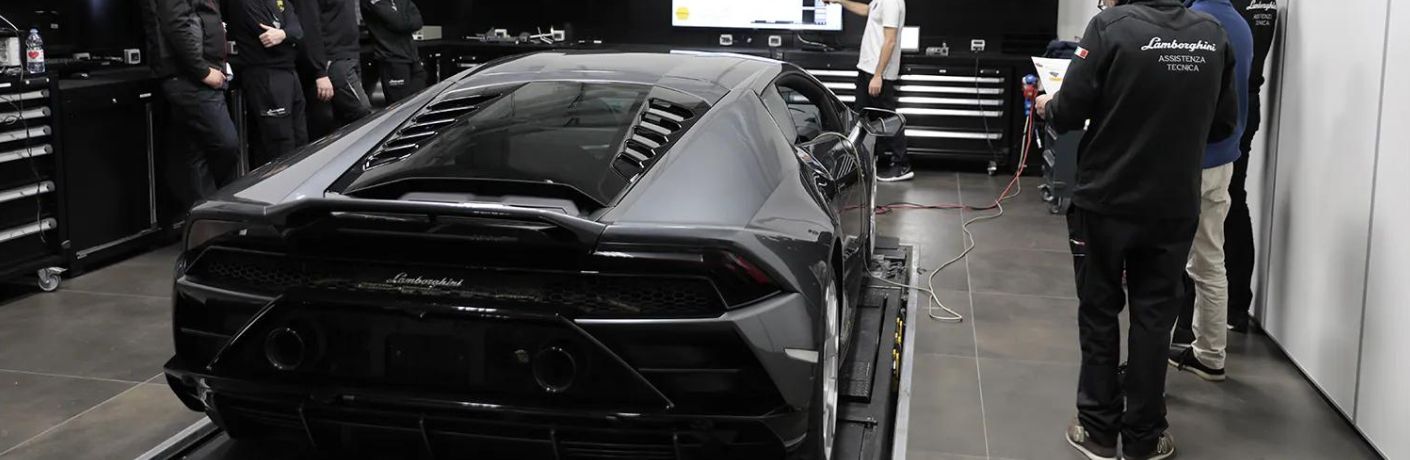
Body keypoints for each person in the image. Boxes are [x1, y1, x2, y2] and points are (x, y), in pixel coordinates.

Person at [1034, 0, 1239, 458]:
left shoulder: (1109, 27)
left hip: (1106, 199)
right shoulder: (1213, 34)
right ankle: (1145, 438)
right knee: (1154, 319)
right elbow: (1224, 122)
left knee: (1100, 311)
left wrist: (1048, 103)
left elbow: (1069, 111)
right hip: (1172, 204)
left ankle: (1099, 431)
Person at [1167, 0, 1254, 384]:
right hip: (1223, 158)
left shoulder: (1194, 24)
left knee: (1162, 263)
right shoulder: (1239, 23)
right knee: (1209, 258)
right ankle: (1210, 354)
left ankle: (1149, 367)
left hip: (1187, 160)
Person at [139, 0, 240, 211]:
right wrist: (202, 71)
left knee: (198, 152)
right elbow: (177, 25)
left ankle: (211, 222)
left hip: (200, 73)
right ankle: (216, 218)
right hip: (190, 77)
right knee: (225, 144)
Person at [826, 0, 912, 182]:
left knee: (887, 118)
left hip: (878, 72)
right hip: (867, 68)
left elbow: (890, 41)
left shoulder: (891, 3)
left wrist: (878, 75)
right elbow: (867, 10)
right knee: (860, 117)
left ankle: (902, 164)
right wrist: (839, 1)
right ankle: (859, 163)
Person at [225, 0, 308, 167]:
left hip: (289, 73)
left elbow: (299, 31)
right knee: (281, 145)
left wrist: (284, 34)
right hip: (266, 74)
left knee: (301, 140)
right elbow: (270, 41)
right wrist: (289, 35)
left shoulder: (280, 1)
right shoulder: (246, 4)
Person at [300, 0, 372, 138]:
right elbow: (310, 28)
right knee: (363, 113)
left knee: (342, 120)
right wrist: (319, 72)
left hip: (351, 55)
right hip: (332, 60)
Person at [362, 0, 425, 104]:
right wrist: (404, 20)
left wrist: (401, 20)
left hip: (413, 59)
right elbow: (397, 23)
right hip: (392, 59)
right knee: (401, 108)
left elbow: (418, 21)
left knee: (419, 105)